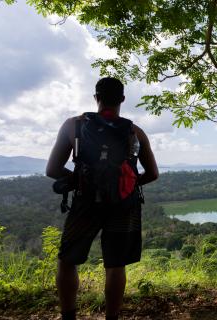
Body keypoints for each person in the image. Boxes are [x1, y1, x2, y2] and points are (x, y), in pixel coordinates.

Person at [46, 77, 159, 320]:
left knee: (67, 261)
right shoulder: (134, 132)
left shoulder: (73, 126)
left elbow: (52, 169)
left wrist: (79, 180)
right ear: (122, 100)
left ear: (96, 97)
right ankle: (112, 318)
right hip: (123, 206)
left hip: (85, 203)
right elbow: (152, 174)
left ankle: (68, 315)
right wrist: (126, 183)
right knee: (115, 265)